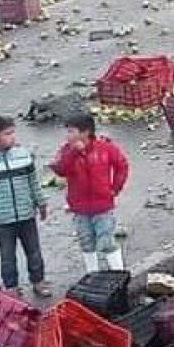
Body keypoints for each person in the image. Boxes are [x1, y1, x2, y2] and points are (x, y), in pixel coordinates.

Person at [0, 115, 51, 297]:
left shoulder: (23, 156)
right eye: (7, 134)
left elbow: (33, 182)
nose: (12, 137)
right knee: (7, 256)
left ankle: (38, 281)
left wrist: (41, 202)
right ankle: (12, 287)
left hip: (26, 214)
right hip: (3, 218)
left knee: (34, 252)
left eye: (12, 133)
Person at [50, 113, 129, 273]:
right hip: (79, 207)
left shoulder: (105, 148)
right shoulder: (66, 150)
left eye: (71, 131)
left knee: (106, 241)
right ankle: (92, 273)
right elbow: (61, 170)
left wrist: (115, 188)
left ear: (85, 132)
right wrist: (73, 153)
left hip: (103, 205)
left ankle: (119, 273)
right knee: (86, 241)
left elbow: (122, 165)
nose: (68, 136)